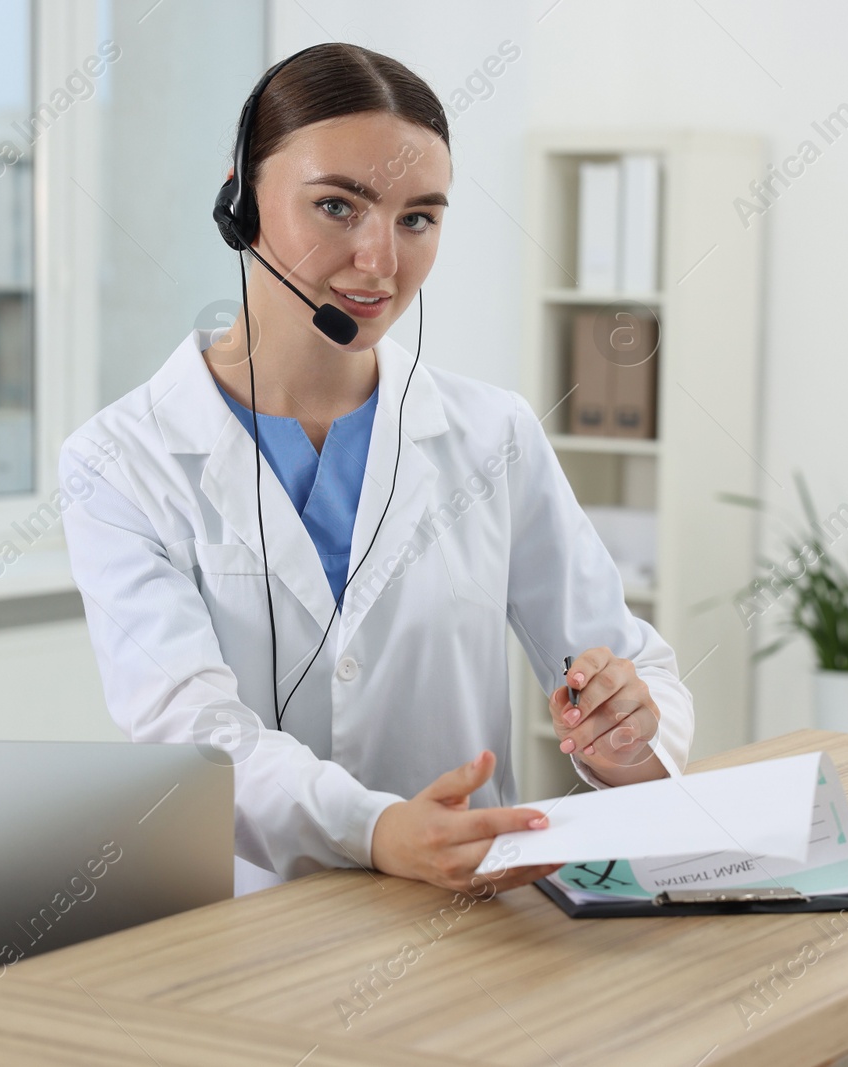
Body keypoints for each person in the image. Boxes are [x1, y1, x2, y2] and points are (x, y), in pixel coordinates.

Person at [60, 42, 694, 897]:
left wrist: (626, 735)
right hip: (252, 934)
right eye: (337, 206)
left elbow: (632, 667)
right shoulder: (122, 460)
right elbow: (194, 733)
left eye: (417, 218)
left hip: (471, 928)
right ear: (239, 201)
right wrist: (376, 828)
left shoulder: (492, 435)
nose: (381, 262)